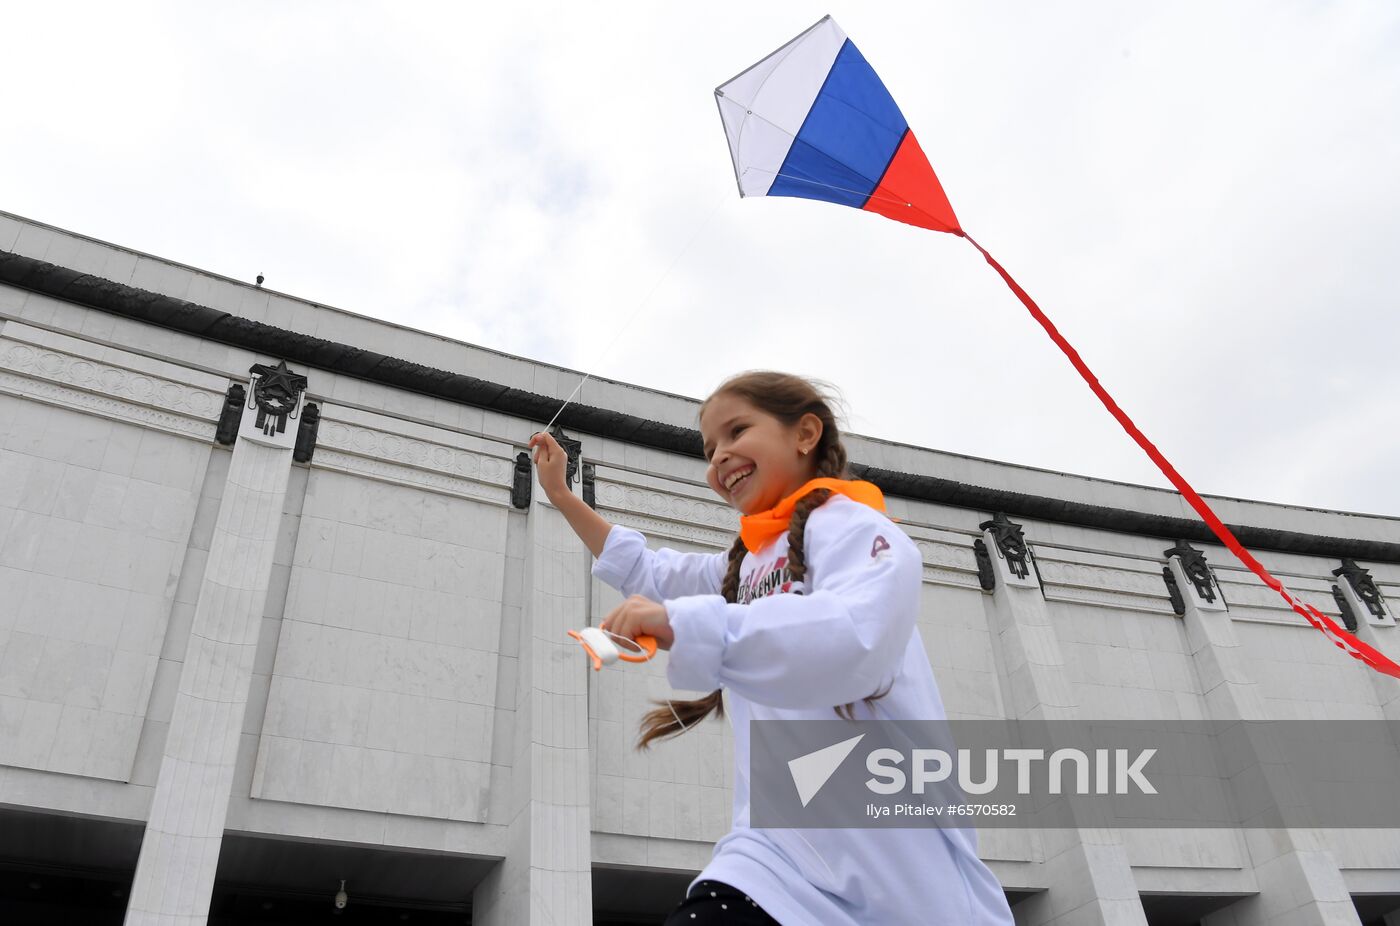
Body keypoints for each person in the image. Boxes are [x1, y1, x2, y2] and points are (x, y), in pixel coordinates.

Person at [529, 371, 1013, 926]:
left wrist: (685, 625)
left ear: (805, 433)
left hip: (896, 876)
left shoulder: (861, 531)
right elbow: (649, 572)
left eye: (737, 431)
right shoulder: (743, 564)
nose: (719, 457)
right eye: (709, 449)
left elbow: (856, 638)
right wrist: (563, 497)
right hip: (773, 859)